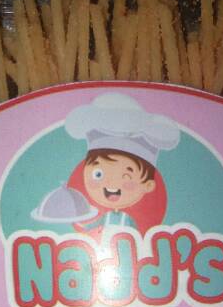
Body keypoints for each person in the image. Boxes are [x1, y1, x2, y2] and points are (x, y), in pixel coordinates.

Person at [65, 93, 180, 236]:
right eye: (98, 174)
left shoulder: (127, 219)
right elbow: (93, 225)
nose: (110, 182)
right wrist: (82, 226)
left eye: (126, 176)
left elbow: (137, 235)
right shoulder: (105, 217)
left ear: (148, 185)